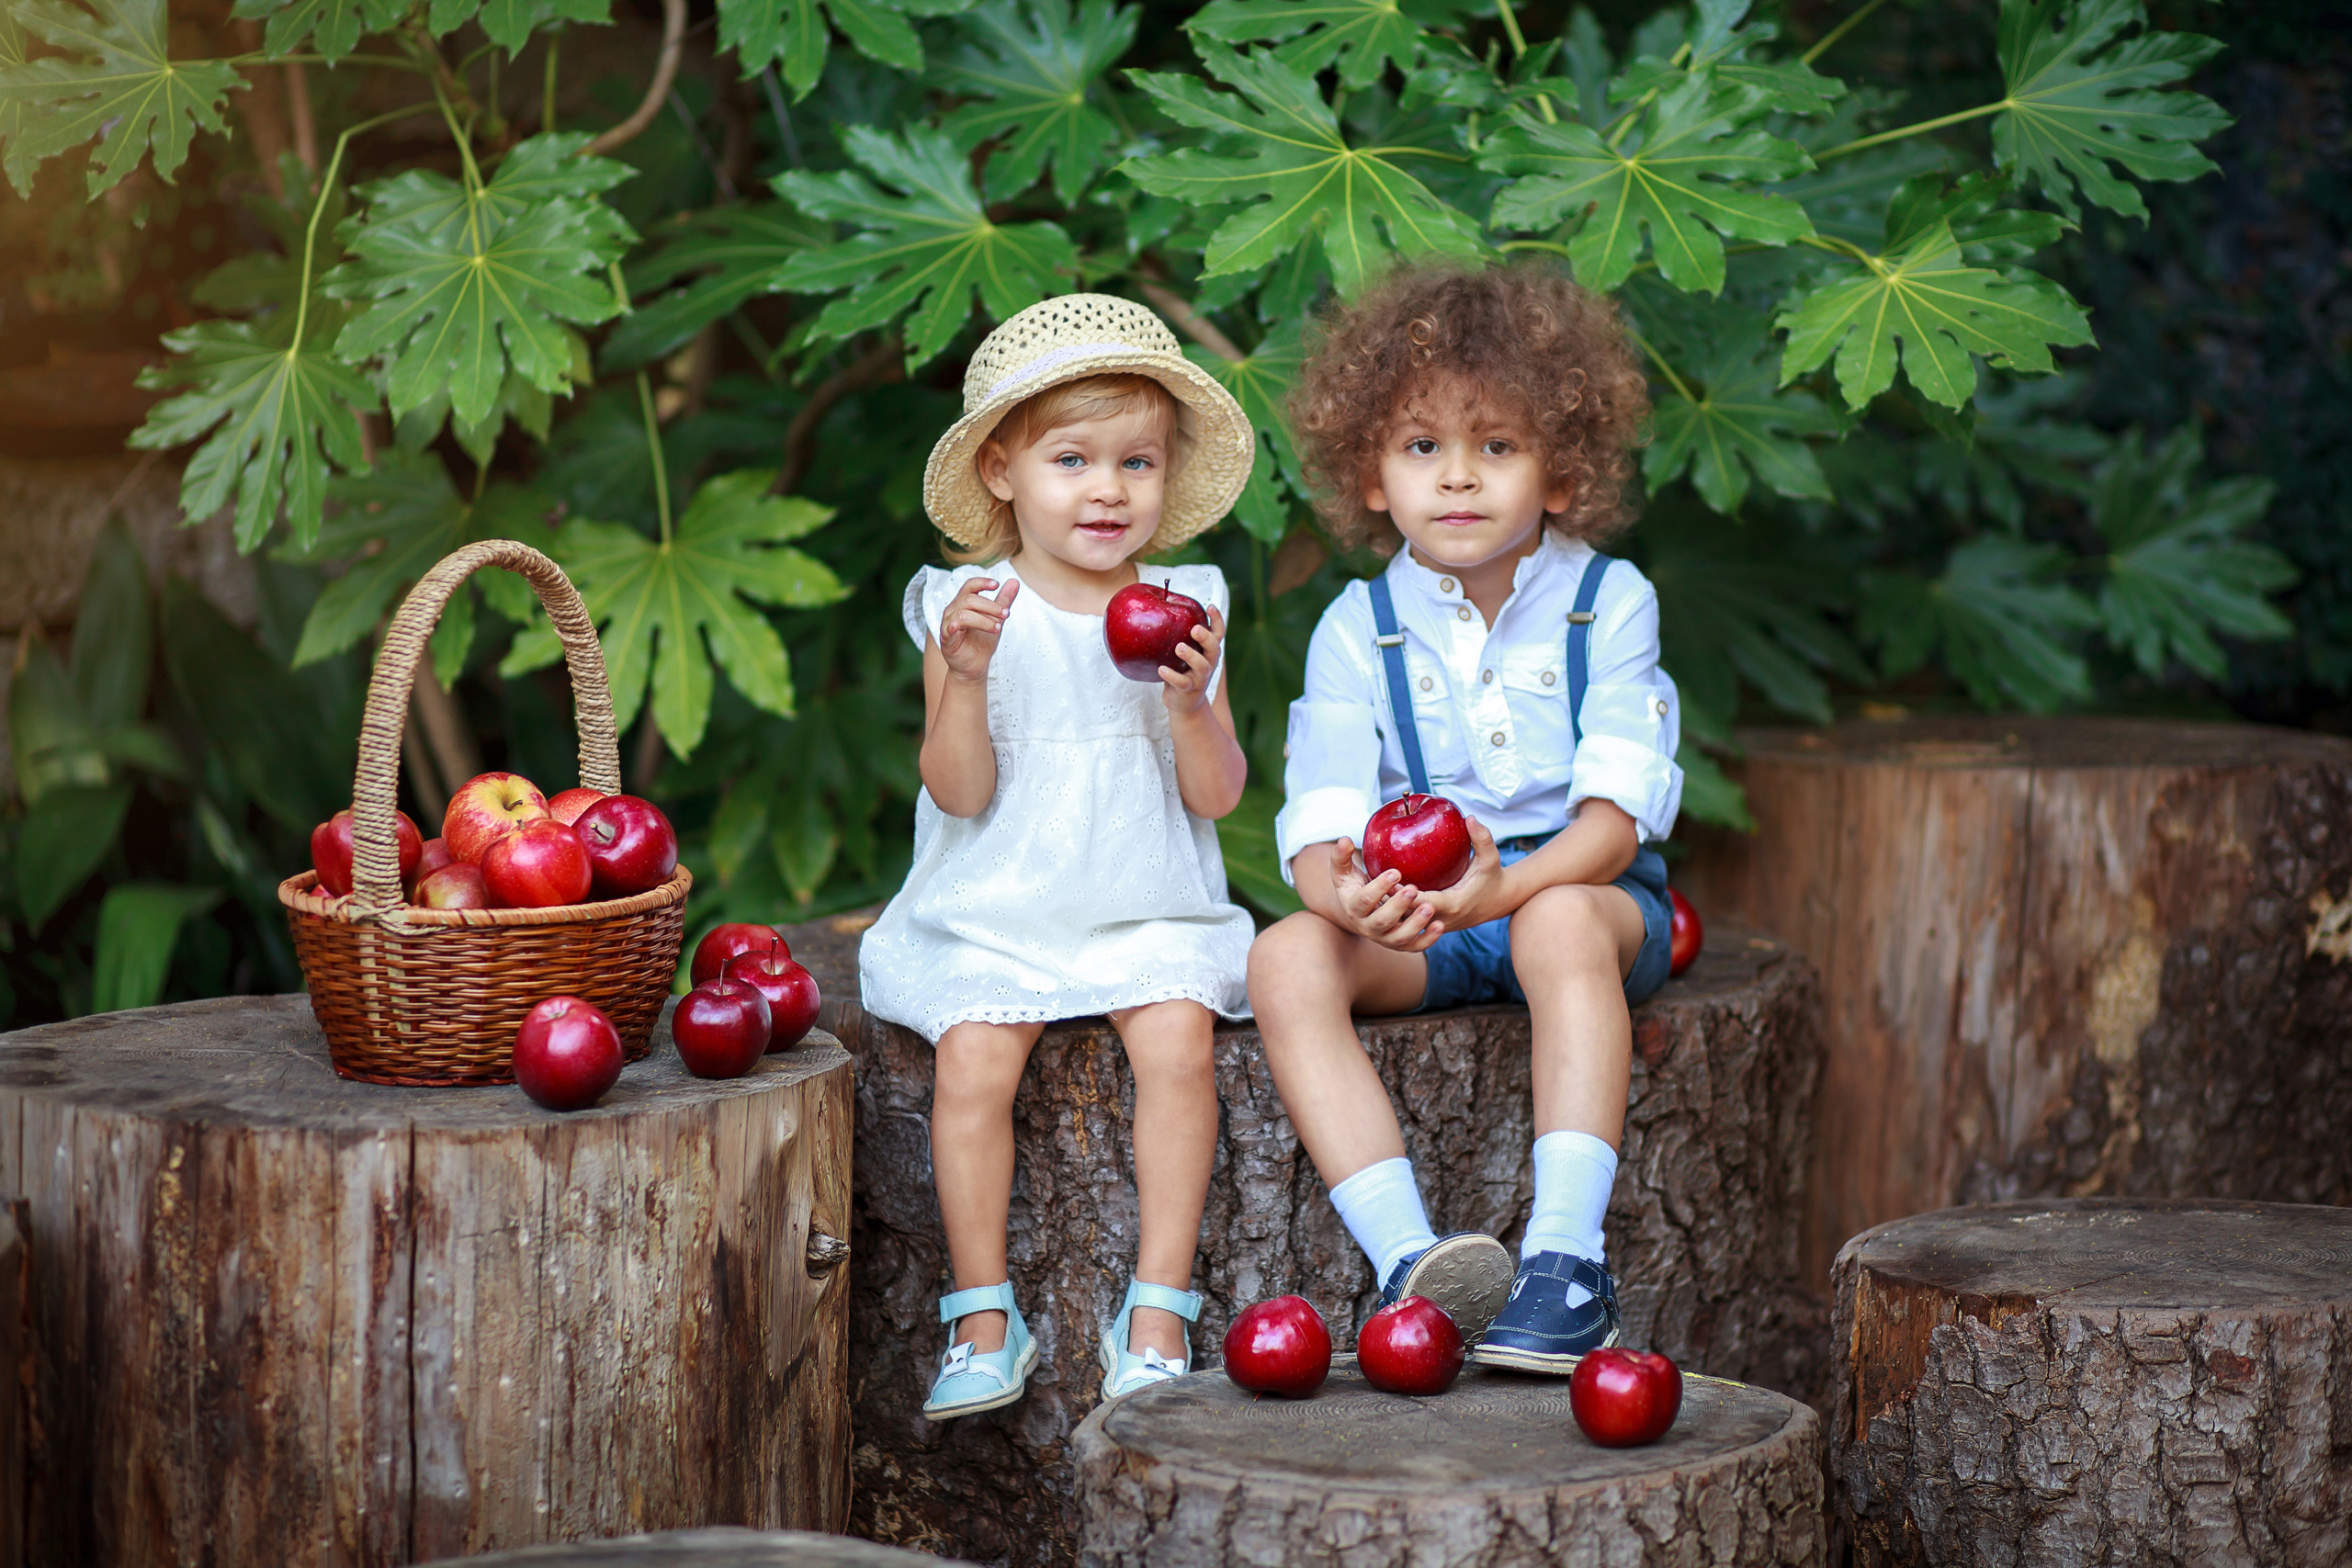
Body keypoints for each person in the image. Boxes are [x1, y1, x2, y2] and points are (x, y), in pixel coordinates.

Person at [1247, 262, 1679, 1374]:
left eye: (1497, 447)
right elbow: (1320, 825)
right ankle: (1412, 1268)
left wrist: (1506, 888)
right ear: (1372, 477)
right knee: (1289, 959)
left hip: (1578, 895)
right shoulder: (1356, 627)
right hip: (1428, 912)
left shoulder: (1608, 602)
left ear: (1561, 471)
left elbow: (1613, 826)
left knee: (1556, 925)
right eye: (1421, 446)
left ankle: (1566, 1263)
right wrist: (1353, 898)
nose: (1458, 479)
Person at [858, 294, 1259, 1418]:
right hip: (1001, 899)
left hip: (1144, 900)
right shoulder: (964, 609)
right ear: (1000, 469)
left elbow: (1218, 793)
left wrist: (1189, 706)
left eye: (1137, 462)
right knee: (972, 1064)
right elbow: (960, 791)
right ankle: (984, 1316)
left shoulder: (1186, 610)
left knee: (1177, 1044)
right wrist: (970, 677)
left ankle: (1158, 1307)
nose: (1107, 489)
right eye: (1072, 459)